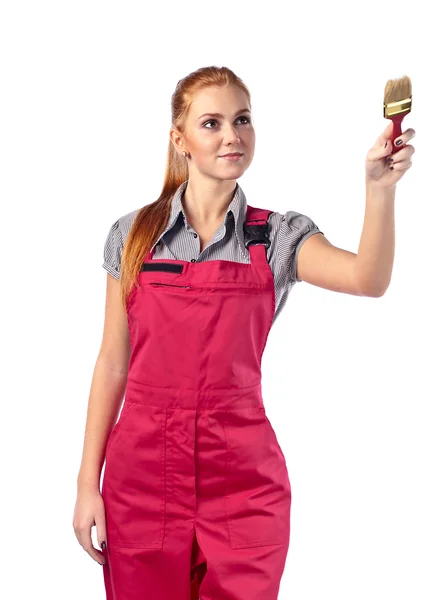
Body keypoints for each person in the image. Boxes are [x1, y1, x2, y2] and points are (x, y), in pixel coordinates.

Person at [73, 65, 415, 600]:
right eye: (212, 123)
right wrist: (85, 483)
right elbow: (112, 362)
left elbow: (368, 279)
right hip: (140, 479)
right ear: (179, 139)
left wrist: (379, 192)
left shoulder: (276, 236)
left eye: (243, 119)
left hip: (242, 483)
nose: (232, 134)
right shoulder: (133, 234)